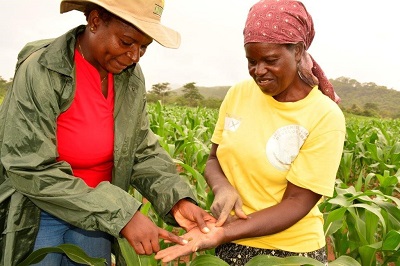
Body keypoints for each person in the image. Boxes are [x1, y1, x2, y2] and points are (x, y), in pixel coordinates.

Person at [0, 0, 215, 265]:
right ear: (94, 21)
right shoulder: (42, 69)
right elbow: (28, 165)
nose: (134, 55)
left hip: (97, 217)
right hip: (40, 211)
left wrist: (177, 200)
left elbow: (141, 150)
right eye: (126, 42)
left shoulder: (130, 76)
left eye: (143, 47)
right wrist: (122, 212)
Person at [155, 0, 346, 265]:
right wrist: (222, 188)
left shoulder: (324, 115)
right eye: (251, 61)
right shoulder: (239, 94)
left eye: (270, 60)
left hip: (290, 253)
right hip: (231, 243)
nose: (259, 71)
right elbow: (214, 158)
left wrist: (223, 232)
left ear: (299, 51)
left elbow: (297, 202)